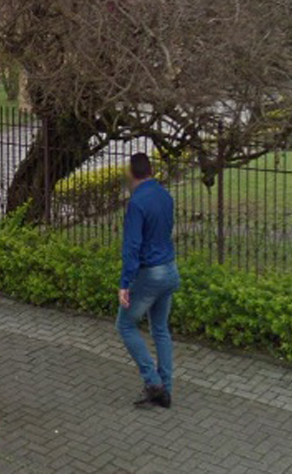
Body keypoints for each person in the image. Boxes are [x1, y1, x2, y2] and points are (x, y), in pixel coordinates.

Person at [115, 152, 180, 409]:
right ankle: (165, 390)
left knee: (125, 325)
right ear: (150, 171)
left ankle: (153, 383)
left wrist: (125, 283)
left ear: (132, 173)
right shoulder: (165, 196)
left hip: (150, 273)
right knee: (160, 329)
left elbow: (132, 246)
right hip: (170, 269)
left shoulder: (137, 203)